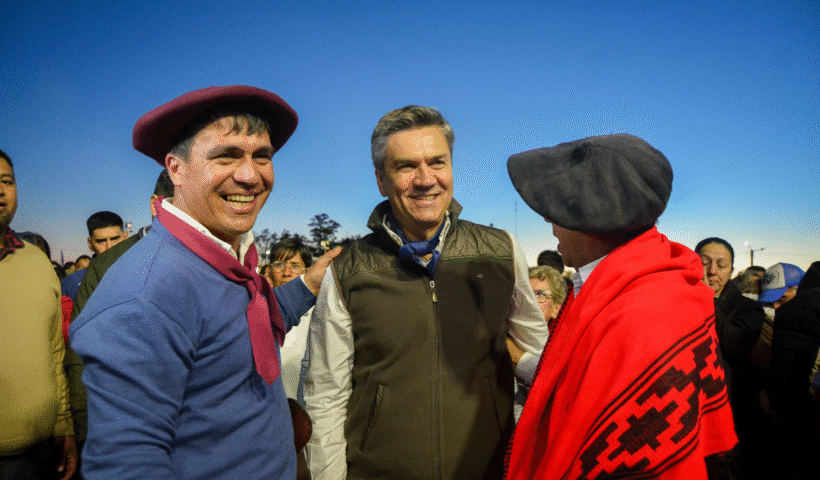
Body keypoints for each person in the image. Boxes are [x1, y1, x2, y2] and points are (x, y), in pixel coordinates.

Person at [69, 85, 340, 479]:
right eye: (226, 156)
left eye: (261, 156)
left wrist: (308, 285)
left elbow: (240, 329)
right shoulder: (146, 293)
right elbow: (128, 464)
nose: (249, 175)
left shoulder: (218, 259)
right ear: (176, 170)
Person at [304, 105, 547, 480]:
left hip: (489, 471)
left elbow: (541, 362)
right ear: (381, 180)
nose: (425, 179)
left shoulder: (501, 251)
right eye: (406, 166)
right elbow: (325, 395)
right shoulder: (348, 269)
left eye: (437, 162)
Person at [505, 134, 737, 479]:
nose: (548, 221)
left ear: (589, 219)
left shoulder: (639, 315)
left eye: (559, 208)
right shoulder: (660, 284)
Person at [63, 168, 175, 467]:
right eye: (180, 205)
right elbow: (81, 353)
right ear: (155, 205)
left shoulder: (212, 262)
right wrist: (84, 427)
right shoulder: (108, 268)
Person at [0, 148, 78, 479]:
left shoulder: (37, 263)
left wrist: (64, 427)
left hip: (41, 455)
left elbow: (54, 354)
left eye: (6, 181)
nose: (0, 190)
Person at [695, 237, 769, 477]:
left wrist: (706, 300)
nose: (712, 271)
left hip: (732, 409)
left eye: (721, 265)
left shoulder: (747, 308)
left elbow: (734, 345)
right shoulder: (679, 302)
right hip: (691, 409)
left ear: (731, 270)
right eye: (704, 262)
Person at [769, 260, 820, 480]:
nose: (775, 307)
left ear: (797, 288)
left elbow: (784, 381)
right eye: (769, 301)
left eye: (781, 298)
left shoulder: (791, 314)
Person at [513, 265, 566, 421]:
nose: (530, 301)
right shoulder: (498, 336)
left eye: (540, 294)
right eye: (525, 294)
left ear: (556, 308)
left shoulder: (563, 349)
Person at [60, 212, 128, 300]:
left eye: (115, 239)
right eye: (101, 241)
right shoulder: (72, 283)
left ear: (126, 237)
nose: (109, 247)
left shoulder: (142, 274)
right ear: (90, 244)